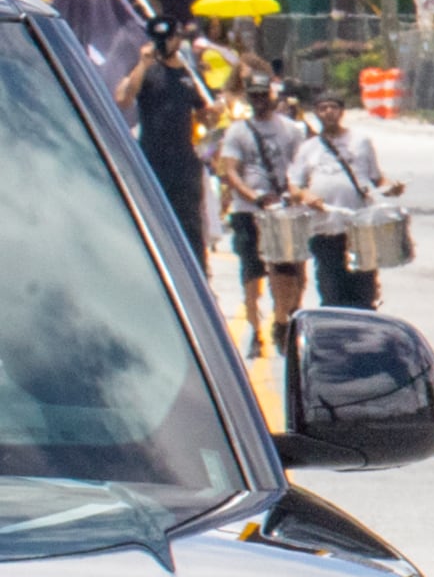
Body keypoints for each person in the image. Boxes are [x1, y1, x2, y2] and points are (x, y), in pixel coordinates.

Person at [212, 79, 311, 351]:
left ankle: (284, 319)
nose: (258, 100)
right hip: (250, 211)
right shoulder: (237, 131)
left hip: (284, 210)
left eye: (262, 95)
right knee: (252, 274)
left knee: (292, 272)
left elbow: (301, 165)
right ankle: (256, 331)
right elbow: (230, 170)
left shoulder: (291, 129)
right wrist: (252, 195)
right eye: (253, 95)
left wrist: (294, 192)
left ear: (272, 95)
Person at [291, 87, 406, 309]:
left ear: (341, 111)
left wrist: (392, 188)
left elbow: (376, 178)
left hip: (359, 230)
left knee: (363, 291)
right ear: (316, 113)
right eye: (322, 108)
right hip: (326, 230)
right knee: (331, 291)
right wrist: (307, 196)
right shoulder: (308, 148)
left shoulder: (360, 141)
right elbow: (295, 185)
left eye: (333, 107)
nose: (328, 112)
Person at [115, 22, 215, 259]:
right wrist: (143, 63)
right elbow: (123, 99)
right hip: (153, 158)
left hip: (183, 162)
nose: (165, 44)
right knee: (152, 220)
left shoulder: (188, 72)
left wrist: (213, 113)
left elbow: (204, 114)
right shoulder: (147, 70)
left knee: (190, 225)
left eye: (169, 38)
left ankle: (198, 274)